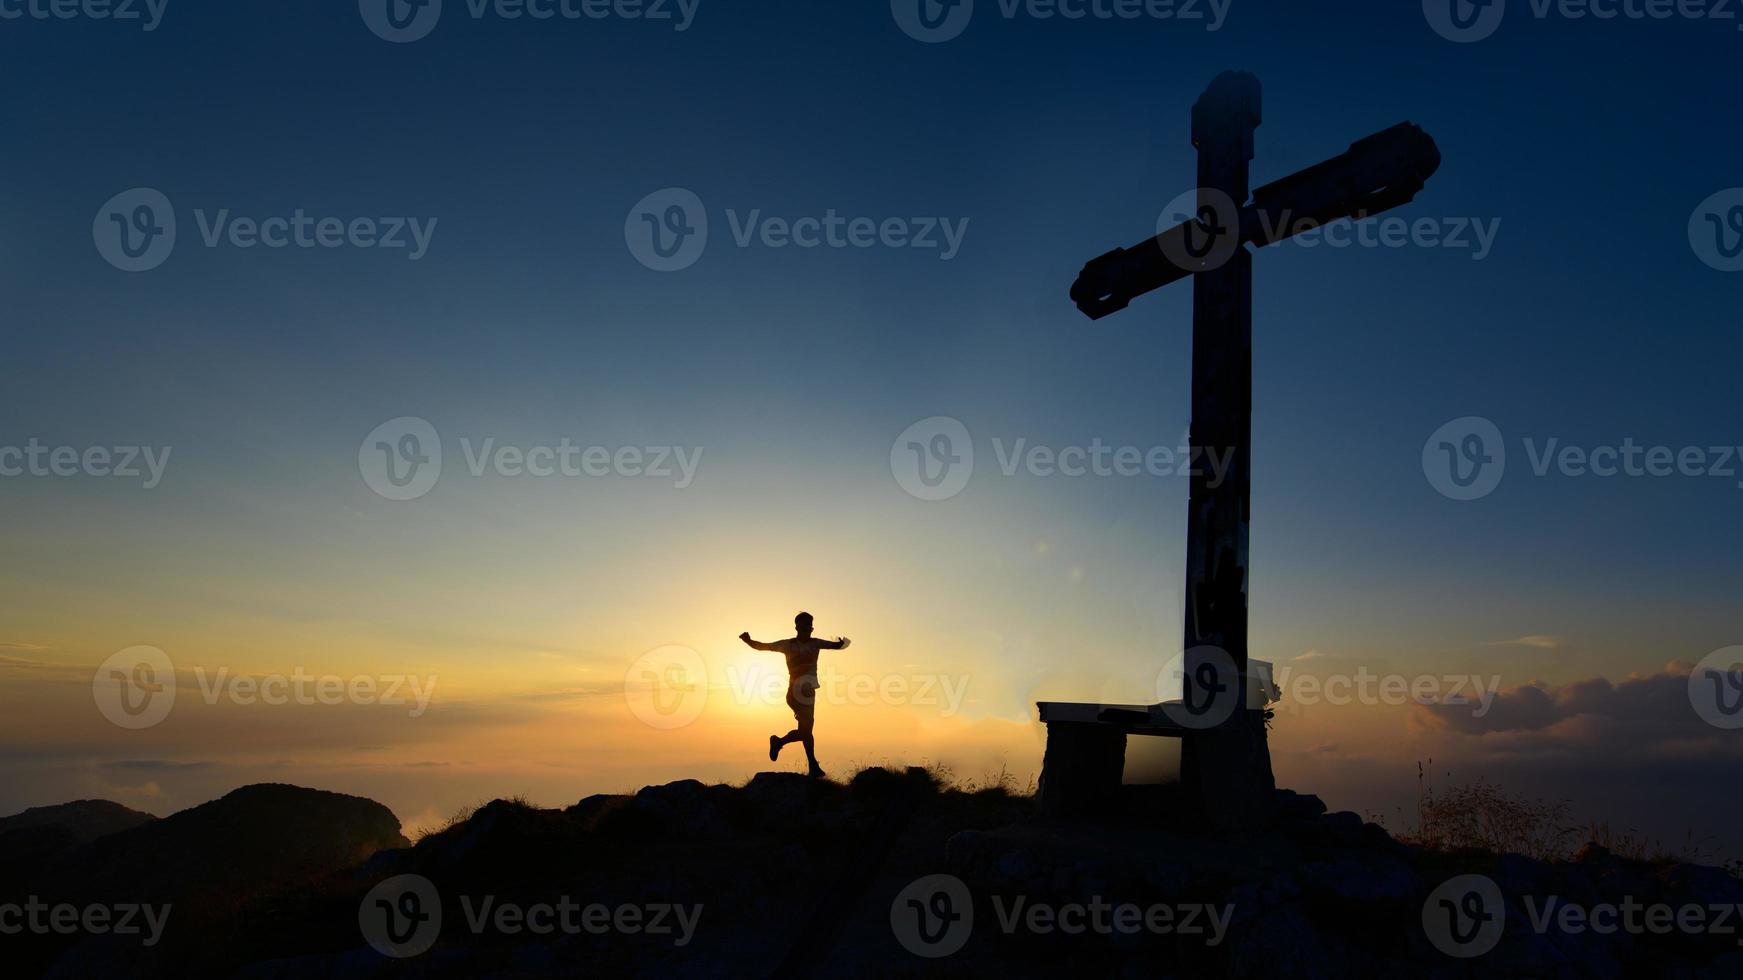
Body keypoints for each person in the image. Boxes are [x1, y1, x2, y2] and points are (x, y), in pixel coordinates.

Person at [738, 612, 850, 778]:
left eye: (810, 626)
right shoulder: (788, 644)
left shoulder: (815, 643)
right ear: (797, 627)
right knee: (806, 731)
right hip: (795, 693)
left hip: (809, 693)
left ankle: (781, 743)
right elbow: (764, 646)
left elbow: (836, 646)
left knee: (805, 731)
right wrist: (748, 641)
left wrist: (841, 643)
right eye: (804, 626)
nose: (808, 629)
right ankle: (812, 765)